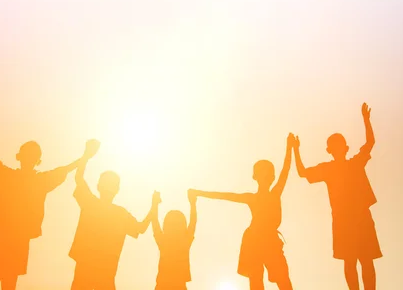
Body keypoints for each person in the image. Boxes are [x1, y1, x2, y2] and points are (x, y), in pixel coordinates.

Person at [0, 117, 100, 290]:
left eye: (32, 155)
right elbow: (65, 169)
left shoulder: (13, 177)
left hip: (11, 236)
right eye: (28, 154)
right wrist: (86, 156)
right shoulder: (27, 179)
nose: (29, 158)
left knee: (1, 282)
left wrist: (85, 156)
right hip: (7, 236)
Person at [293, 103, 382, 290]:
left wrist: (366, 120)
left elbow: (370, 143)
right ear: (329, 150)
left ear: (346, 148)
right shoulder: (328, 169)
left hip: (361, 218)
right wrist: (295, 149)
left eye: (339, 144)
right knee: (350, 262)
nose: (338, 148)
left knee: (366, 261)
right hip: (343, 221)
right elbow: (302, 172)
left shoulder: (354, 163)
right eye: (334, 146)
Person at [190, 133, 295, 290]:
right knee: (257, 280)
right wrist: (199, 193)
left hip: (269, 240)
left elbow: (286, 169)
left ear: (271, 177)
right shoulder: (254, 197)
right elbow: (225, 196)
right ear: (256, 177)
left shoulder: (274, 193)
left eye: (267, 173)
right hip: (254, 240)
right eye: (262, 173)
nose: (265, 177)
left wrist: (290, 147)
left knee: (282, 279)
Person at [69, 152, 158, 290]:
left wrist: (87, 154)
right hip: (104, 271)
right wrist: (154, 206)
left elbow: (78, 178)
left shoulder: (91, 203)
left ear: (98, 186)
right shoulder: (120, 214)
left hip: (89, 268)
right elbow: (141, 228)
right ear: (117, 190)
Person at [152, 189, 198, 290]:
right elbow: (193, 222)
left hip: (162, 285)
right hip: (179, 285)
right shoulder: (184, 241)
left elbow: (154, 221)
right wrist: (193, 203)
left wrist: (154, 203)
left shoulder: (163, 241)